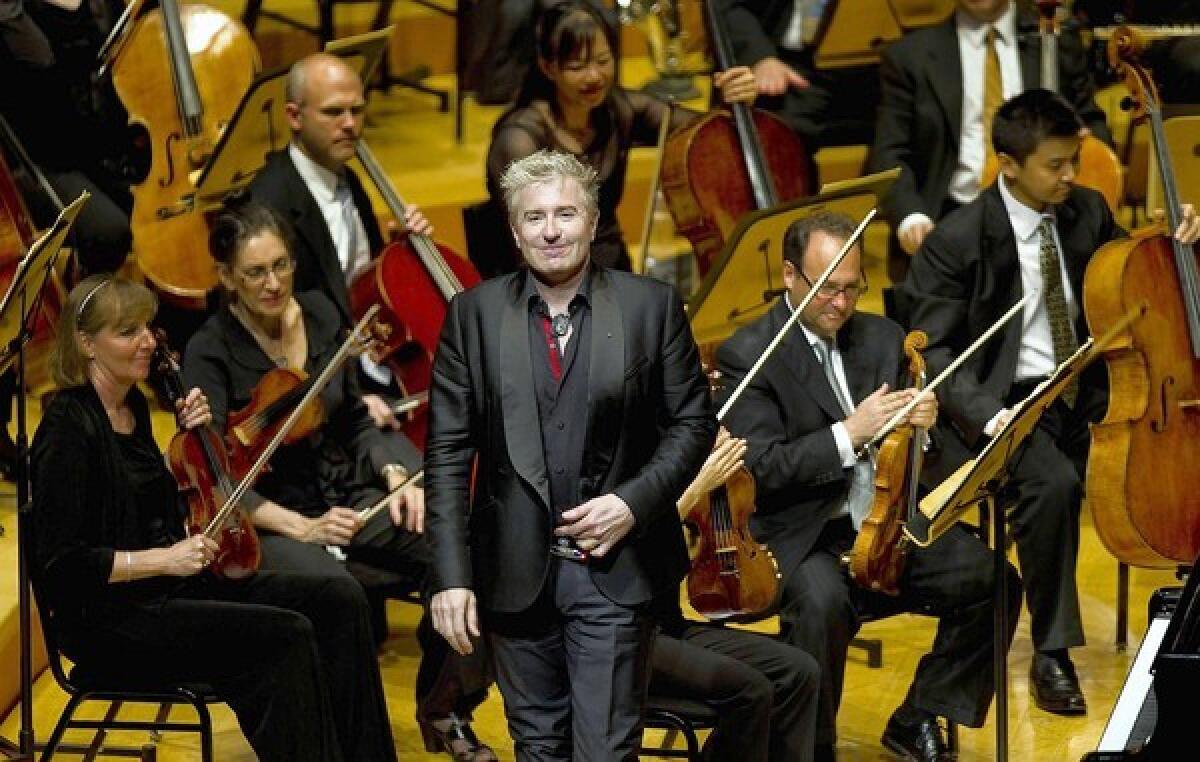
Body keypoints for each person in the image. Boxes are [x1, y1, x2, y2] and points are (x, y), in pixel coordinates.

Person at [899, 89, 1200, 718]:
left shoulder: (1086, 211)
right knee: (1054, 482)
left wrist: (1177, 241)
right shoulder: (958, 239)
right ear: (1008, 163)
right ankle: (1051, 651)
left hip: (1087, 385)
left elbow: (1140, 270)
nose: (1070, 176)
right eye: (1055, 164)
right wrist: (988, 412)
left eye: (1074, 161)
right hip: (1007, 402)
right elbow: (939, 357)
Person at [425, 149, 716, 760]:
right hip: (513, 576)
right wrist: (452, 578)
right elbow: (448, 458)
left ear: (591, 218)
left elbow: (693, 425)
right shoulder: (471, 316)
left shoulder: (650, 306)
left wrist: (631, 503)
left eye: (565, 213)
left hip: (615, 574)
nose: (551, 230)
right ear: (513, 229)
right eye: (534, 218)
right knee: (537, 749)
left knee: (605, 752)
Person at [31, 275, 397, 761]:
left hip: (165, 593)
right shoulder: (66, 429)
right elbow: (65, 567)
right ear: (86, 343)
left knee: (339, 598)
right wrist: (165, 559)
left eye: (147, 327)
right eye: (128, 332)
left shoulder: (132, 407)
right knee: (285, 636)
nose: (148, 341)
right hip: (112, 623)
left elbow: (141, 504)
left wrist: (194, 445)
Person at [182, 201, 495, 761]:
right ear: (227, 278)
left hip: (347, 497)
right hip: (270, 521)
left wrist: (396, 469)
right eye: (255, 273)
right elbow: (215, 475)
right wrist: (300, 527)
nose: (273, 283)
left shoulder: (324, 315)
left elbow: (353, 416)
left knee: (462, 544)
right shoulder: (209, 352)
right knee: (338, 594)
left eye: (281, 266)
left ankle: (445, 703)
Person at [717, 210, 1021, 762]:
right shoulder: (749, 353)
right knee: (821, 605)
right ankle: (811, 749)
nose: (840, 303)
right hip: (806, 535)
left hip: (885, 526)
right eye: (827, 288)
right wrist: (847, 434)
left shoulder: (882, 336)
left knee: (994, 581)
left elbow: (911, 453)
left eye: (852, 288)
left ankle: (918, 715)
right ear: (790, 275)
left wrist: (921, 429)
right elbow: (759, 468)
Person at [480, 0, 757, 276]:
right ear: (548, 67)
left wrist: (735, 98)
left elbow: (707, 134)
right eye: (577, 66)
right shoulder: (519, 140)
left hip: (612, 271)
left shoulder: (619, 109)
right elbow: (534, 249)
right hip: (542, 286)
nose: (594, 76)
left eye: (603, 61)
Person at [247, 52, 436, 434]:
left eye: (357, 111)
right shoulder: (268, 204)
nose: (350, 125)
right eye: (334, 113)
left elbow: (358, 280)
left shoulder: (347, 177)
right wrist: (350, 396)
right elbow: (279, 325)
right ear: (294, 117)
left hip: (374, 359)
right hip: (320, 386)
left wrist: (397, 253)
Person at [867, 0, 1111, 280]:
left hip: (1043, 213)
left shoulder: (1054, 39)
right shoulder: (909, 56)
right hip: (951, 219)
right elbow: (889, 151)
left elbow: (1090, 121)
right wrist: (911, 217)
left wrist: (1088, 154)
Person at [649, 428, 820, 762]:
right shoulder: (616, 460)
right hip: (625, 635)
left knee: (800, 671)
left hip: (668, 624)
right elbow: (635, 549)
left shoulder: (664, 446)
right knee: (753, 690)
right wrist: (698, 484)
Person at [716, 0, 880, 153]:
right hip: (785, 59)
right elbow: (729, 5)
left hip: (875, 63)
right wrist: (761, 57)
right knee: (773, 132)